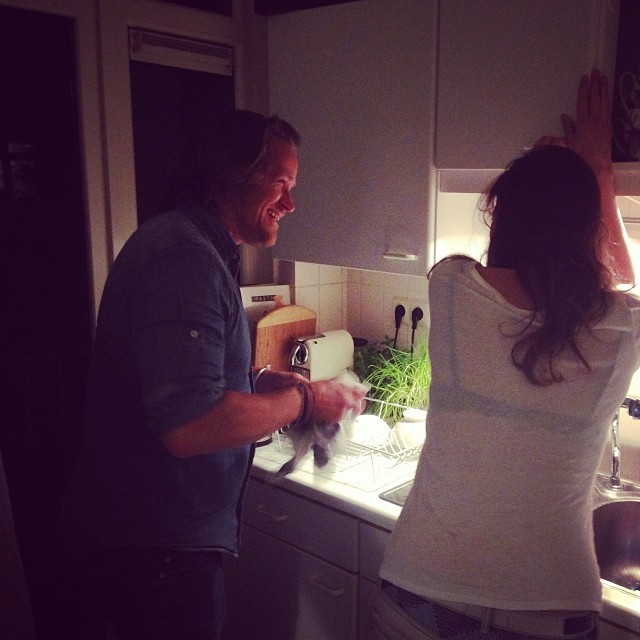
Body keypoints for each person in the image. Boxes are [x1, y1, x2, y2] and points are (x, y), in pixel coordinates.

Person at [57, 110, 367, 640]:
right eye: (281, 183)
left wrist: (259, 382)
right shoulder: (184, 259)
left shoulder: (187, 246)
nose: (290, 204)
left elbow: (175, 377)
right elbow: (191, 424)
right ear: (229, 176)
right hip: (157, 548)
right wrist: (308, 400)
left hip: (147, 541)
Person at [370, 70, 640, 640]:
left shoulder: (449, 288)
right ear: (588, 231)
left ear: (501, 217)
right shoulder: (622, 329)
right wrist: (598, 172)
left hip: (422, 593)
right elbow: (621, 282)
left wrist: (549, 174)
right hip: (548, 613)